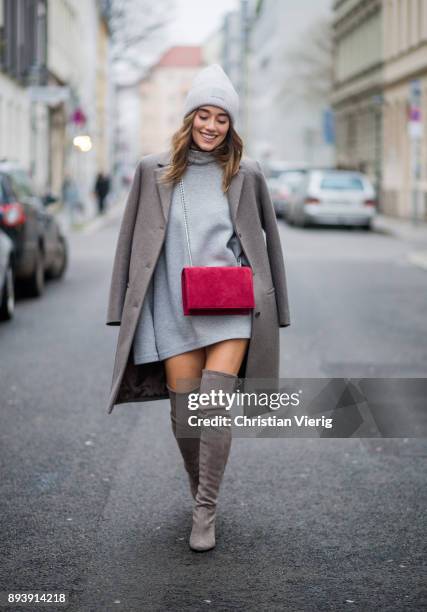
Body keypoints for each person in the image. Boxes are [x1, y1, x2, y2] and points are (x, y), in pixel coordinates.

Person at [105, 63, 291, 552]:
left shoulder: (246, 173)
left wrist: (277, 306)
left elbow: (266, 244)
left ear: (232, 126)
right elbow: (131, 243)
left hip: (230, 304)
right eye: (204, 115)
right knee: (186, 413)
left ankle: (205, 508)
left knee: (212, 403)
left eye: (222, 119)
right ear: (190, 118)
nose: (212, 126)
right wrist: (121, 306)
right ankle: (199, 490)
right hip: (172, 305)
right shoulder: (154, 169)